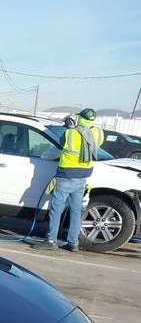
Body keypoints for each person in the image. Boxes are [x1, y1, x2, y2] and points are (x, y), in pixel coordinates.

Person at [33, 108, 104, 252]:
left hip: (66, 176)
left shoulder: (70, 133)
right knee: (76, 211)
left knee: (56, 210)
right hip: (82, 177)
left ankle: (51, 240)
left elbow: (62, 142)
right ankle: (73, 243)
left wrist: (68, 127)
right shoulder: (98, 133)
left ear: (81, 118)